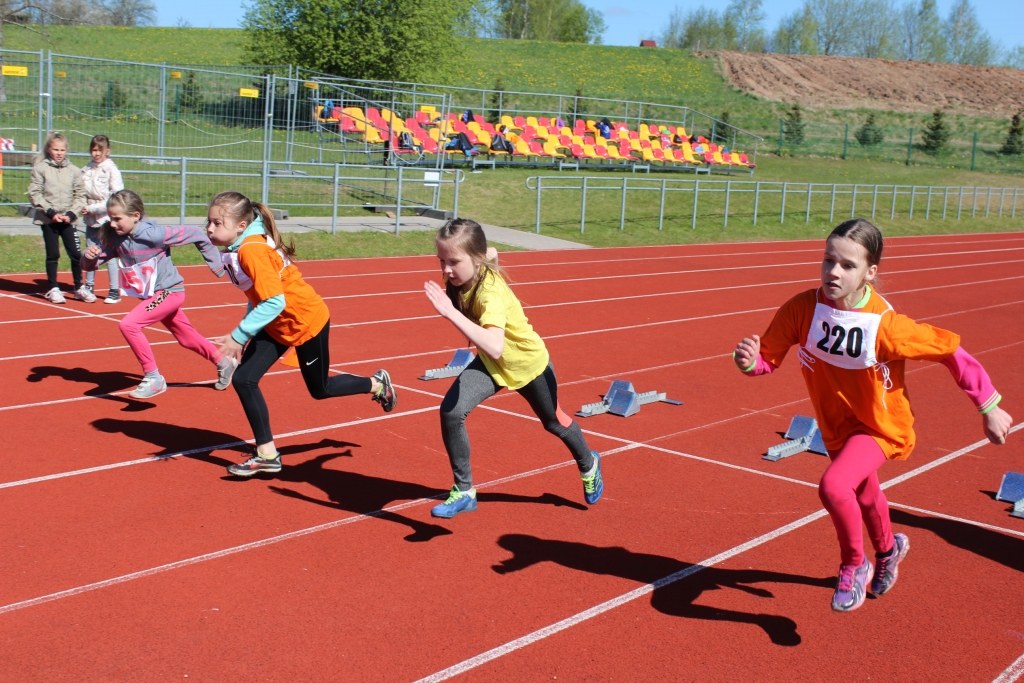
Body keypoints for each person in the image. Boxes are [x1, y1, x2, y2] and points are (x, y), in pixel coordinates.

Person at [733, 218, 1013, 613]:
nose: (834, 272)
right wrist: (749, 362)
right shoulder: (802, 309)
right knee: (863, 493)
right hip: (836, 427)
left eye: (848, 265)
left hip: (881, 427)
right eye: (828, 260)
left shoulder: (885, 325)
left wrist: (989, 406)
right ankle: (887, 553)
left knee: (834, 487)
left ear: (870, 272)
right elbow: (768, 359)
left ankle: (854, 564)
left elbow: (950, 351)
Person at [204, 191, 397, 478]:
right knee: (244, 379)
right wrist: (248, 327)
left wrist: (240, 334)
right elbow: (257, 295)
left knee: (321, 390)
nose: (209, 229)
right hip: (276, 324)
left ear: (241, 225)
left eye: (217, 223)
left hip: (305, 321)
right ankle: (267, 455)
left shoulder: (251, 250)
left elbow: (274, 301)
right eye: (207, 222)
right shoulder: (242, 247)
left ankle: (376, 384)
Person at [422, 218, 603, 518]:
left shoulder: (489, 293)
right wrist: (488, 256)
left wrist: (449, 312)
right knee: (452, 412)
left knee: (554, 423)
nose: (445, 270)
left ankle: (589, 463)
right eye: (441, 260)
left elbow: (495, 344)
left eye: (453, 261)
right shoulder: (470, 269)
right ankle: (465, 490)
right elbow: (490, 252)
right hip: (493, 366)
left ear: (475, 259)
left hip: (528, 365)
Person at [81, 190, 237, 399]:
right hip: (153, 297)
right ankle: (224, 362)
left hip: (170, 292)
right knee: (186, 338)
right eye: (111, 218)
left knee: (129, 325)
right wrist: (88, 257)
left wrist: (217, 266)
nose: (112, 224)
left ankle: (154, 378)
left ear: (135, 216)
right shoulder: (115, 238)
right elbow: (90, 266)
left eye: (118, 219)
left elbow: (196, 233)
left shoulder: (154, 234)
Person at [29, 132, 92, 304]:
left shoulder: (73, 171)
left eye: (62, 150)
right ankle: (53, 288)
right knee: (53, 254)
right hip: (49, 219)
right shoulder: (40, 168)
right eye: (55, 149)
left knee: (76, 254)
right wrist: (50, 212)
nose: (59, 153)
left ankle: (79, 287)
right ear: (49, 149)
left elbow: (80, 195)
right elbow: (35, 193)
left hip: (68, 219)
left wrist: (71, 214)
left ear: (66, 150)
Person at [80, 135, 124, 304]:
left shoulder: (111, 169)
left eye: (100, 150)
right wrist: (83, 206)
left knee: (109, 255)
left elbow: (115, 197)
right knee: (90, 253)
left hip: (106, 219)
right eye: (93, 150)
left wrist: (93, 208)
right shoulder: (87, 169)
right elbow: (80, 191)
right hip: (91, 220)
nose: (96, 153)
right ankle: (89, 286)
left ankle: (114, 290)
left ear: (107, 151)